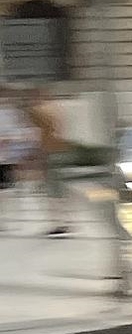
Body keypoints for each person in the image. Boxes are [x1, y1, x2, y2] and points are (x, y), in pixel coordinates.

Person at [27, 84, 70, 237]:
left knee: (51, 189)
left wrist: (36, 156)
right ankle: (65, 221)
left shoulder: (39, 111)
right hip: (60, 150)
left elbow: (37, 135)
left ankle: (59, 223)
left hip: (49, 152)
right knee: (59, 188)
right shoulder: (57, 109)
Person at [0, 87, 30, 229]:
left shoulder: (11, 114)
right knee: (6, 188)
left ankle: (5, 217)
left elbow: (19, 134)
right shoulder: (12, 114)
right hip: (8, 157)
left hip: (7, 157)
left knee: (6, 187)